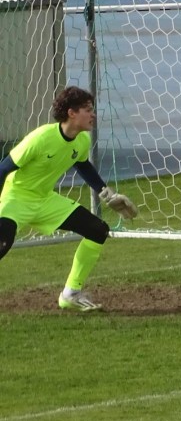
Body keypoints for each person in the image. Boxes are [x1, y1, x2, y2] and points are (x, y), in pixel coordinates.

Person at [0, 86, 137, 312]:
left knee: (98, 230)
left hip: (45, 200)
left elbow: (82, 164)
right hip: (16, 198)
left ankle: (70, 294)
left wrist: (105, 192)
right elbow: (3, 169)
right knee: (2, 242)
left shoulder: (81, 140)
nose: (93, 114)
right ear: (71, 113)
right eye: (87, 110)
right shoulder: (41, 138)